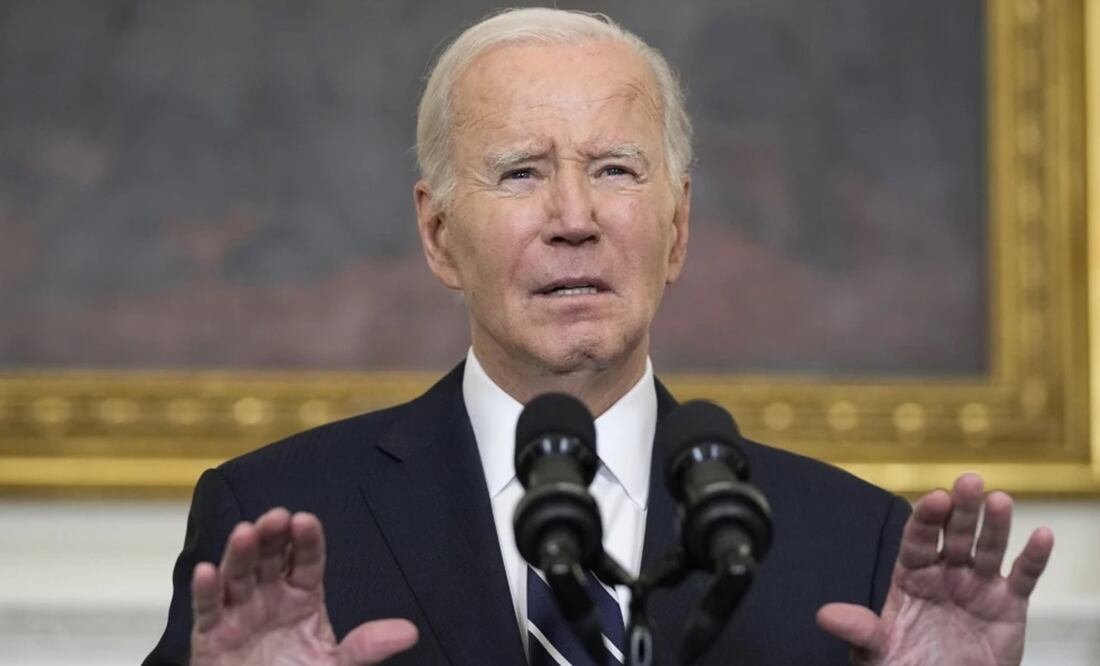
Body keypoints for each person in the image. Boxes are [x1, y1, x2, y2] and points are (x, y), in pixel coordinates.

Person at [146, 8, 1054, 665]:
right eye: (521, 173)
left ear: (679, 228)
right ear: (438, 236)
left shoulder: (855, 543)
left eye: (615, 169)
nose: (573, 217)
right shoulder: (274, 520)